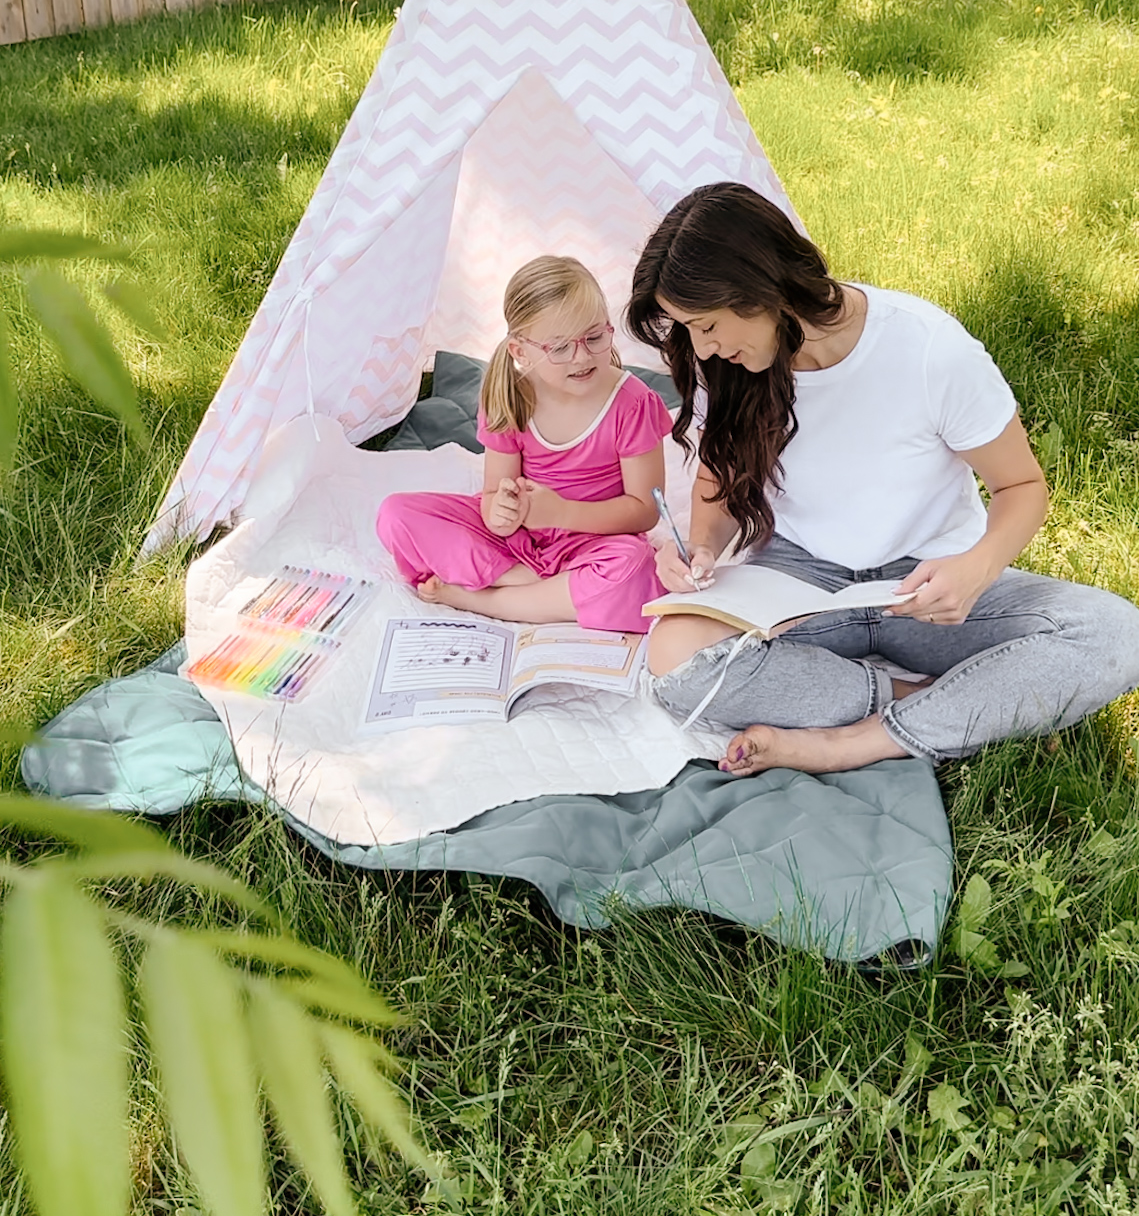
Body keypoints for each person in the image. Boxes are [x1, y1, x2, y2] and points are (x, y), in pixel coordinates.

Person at [626, 182, 1139, 775]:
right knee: (676, 656)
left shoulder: (927, 350)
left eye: (706, 324)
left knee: (1115, 633)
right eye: (686, 328)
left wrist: (976, 568)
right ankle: (919, 703)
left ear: (760, 288)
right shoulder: (733, 365)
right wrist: (705, 546)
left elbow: (1022, 487)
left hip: (925, 588)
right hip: (806, 587)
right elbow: (720, 473)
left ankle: (851, 743)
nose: (701, 346)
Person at [377, 255, 674, 632]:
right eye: (560, 348)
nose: (581, 357)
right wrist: (501, 512)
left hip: (596, 541)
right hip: (521, 544)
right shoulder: (509, 398)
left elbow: (645, 511)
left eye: (595, 338)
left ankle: (483, 599)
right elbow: (491, 498)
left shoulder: (632, 403)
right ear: (521, 352)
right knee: (395, 515)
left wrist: (561, 513)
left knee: (633, 566)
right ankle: (543, 589)